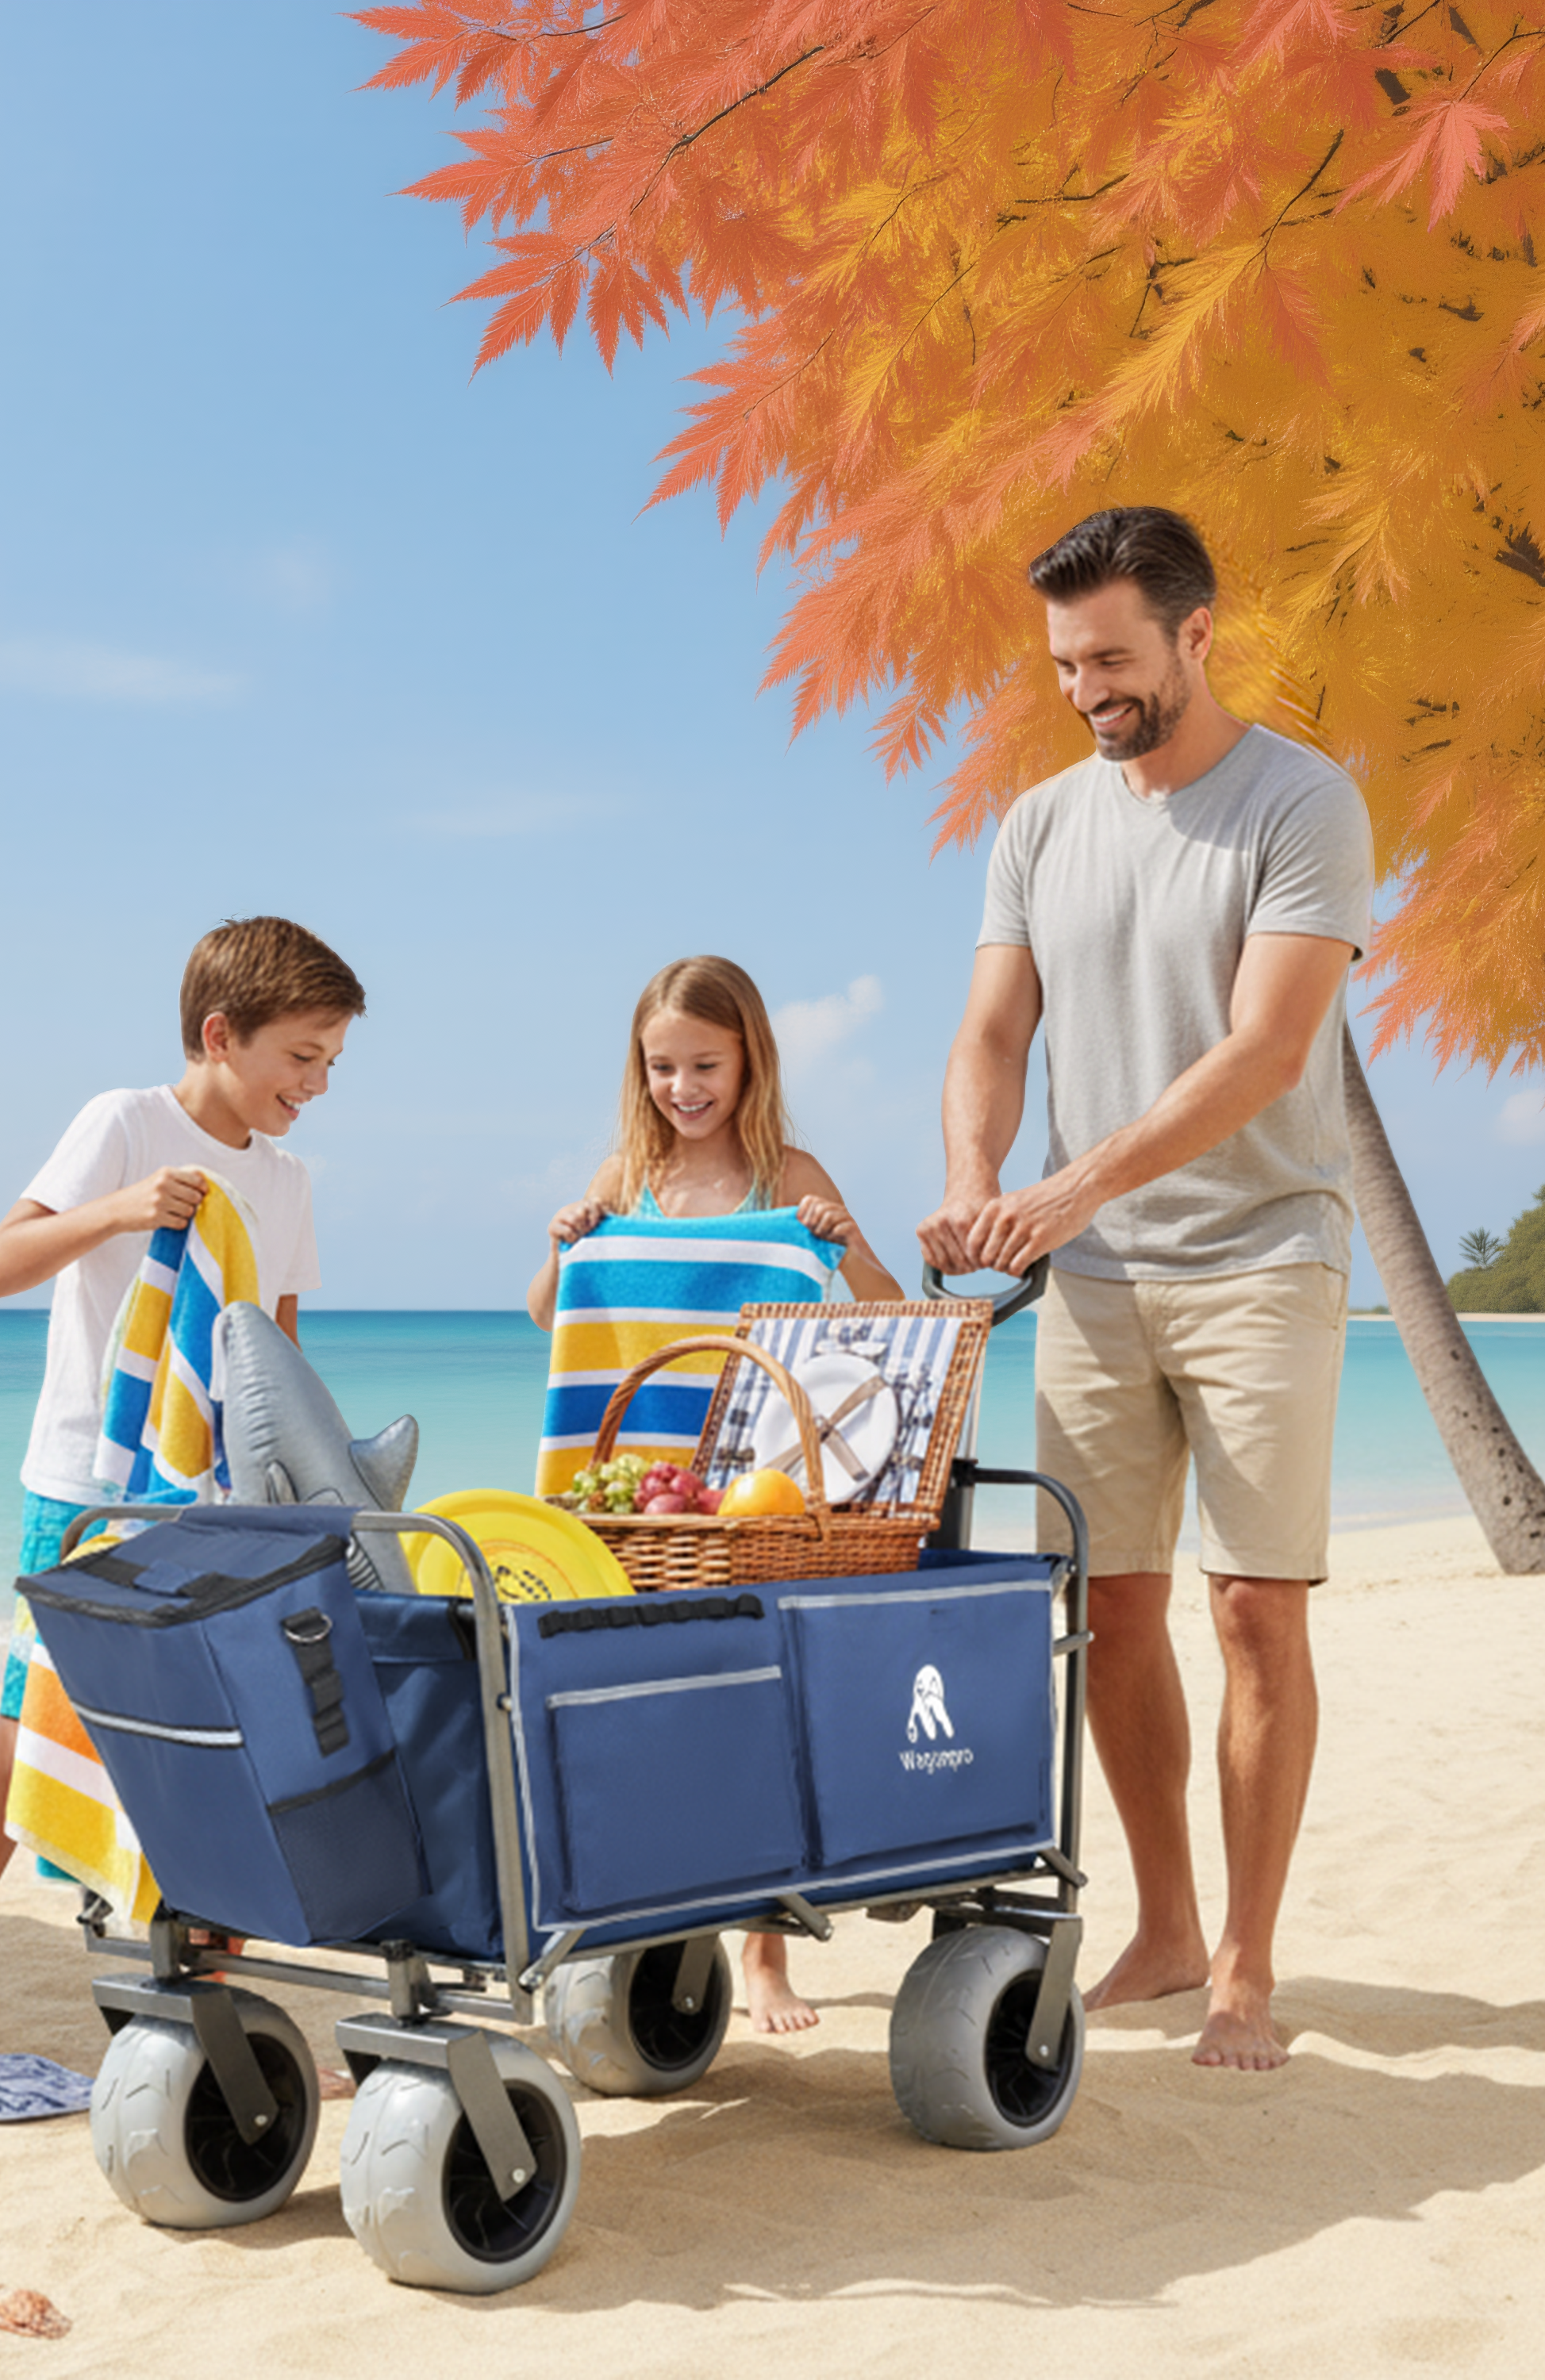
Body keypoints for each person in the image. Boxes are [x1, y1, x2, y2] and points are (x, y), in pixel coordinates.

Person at [916, 506, 1373, 2072]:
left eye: (1110, 655)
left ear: (1197, 633)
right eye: (1063, 662)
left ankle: (1246, 1961)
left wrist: (1067, 1187)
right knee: (1108, 1608)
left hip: (1263, 1259)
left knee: (1254, 1609)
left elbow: (1264, 1051)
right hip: (1095, 1282)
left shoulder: (1303, 804)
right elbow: (989, 1034)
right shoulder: (1039, 824)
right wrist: (981, 1182)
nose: (1085, 686)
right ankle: (1167, 1923)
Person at [0, 916, 365, 2089]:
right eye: (301, 1056)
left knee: (220, 1744)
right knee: (23, 1725)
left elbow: (270, 1361)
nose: (315, 1085)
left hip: (210, 1502)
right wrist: (127, 1209)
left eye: (331, 1064)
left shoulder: (287, 1183)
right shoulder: (125, 1123)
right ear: (219, 1035)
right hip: (92, 1487)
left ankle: (203, 1989)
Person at [529, 953, 903, 2035]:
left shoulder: (788, 1175)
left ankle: (769, 1957)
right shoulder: (621, 1177)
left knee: (758, 1703)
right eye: (662, 1067)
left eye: (705, 1064)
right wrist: (562, 1251)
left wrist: (844, 1241)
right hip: (639, 1492)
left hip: (751, 1486)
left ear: (750, 1062)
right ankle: (644, 1917)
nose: (683, 1087)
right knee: (638, 1701)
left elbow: (878, 1314)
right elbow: (551, 1319)